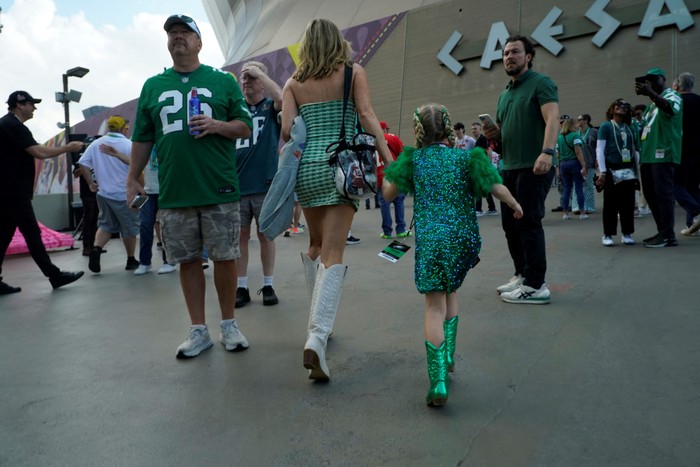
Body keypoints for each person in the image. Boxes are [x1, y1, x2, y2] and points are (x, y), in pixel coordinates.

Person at [126, 14, 253, 359]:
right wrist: (132, 177)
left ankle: (228, 324)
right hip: (174, 191)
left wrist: (216, 124)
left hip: (219, 187)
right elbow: (142, 137)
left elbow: (244, 127)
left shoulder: (222, 81)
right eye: (173, 34)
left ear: (199, 43)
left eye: (185, 33)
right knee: (187, 261)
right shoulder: (153, 85)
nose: (178, 37)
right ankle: (199, 330)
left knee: (226, 257)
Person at [382, 103, 522, 407]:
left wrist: (391, 164)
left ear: (419, 131)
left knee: (434, 307)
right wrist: (514, 205)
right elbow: (496, 186)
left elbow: (388, 193)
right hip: (463, 239)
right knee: (452, 289)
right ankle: (448, 357)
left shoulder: (413, 160)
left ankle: (439, 382)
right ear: (447, 129)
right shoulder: (467, 157)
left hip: (433, 240)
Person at [281, 18, 393, 381]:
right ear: (337, 41)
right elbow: (366, 115)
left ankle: (318, 325)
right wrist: (389, 160)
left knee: (314, 245)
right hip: (342, 168)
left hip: (307, 170)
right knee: (335, 252)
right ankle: (317, 335)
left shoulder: (293, 83)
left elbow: (288, 130)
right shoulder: (352, 72)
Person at [481, 35, 559, 305]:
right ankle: (522, 274)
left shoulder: (541, 83)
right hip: (509, 167)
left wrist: (547, 152)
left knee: (528, 222)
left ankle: (536, 285)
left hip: (534, 166)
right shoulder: (505, 94)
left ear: (529, 56)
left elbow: (552, 119)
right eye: (505, 53)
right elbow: (503, 139)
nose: (509, 57)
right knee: (510, 225)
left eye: (515, 52)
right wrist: (494, 134)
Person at [0, 90, 84, 294]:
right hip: (13, 191)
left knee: (3, 235)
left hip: (6, 190)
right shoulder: (13, 125)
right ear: (20, 104)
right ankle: (54, 275)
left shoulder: (7, 125)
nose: (34, 108)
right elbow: (39, 152)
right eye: (31, 104)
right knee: (32, 233)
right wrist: (67, 148)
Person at [234, 60, 283, 307]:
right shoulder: (236, 108)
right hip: (237, 184)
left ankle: (268, 284)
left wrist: (260, 74)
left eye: (251, 77)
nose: (246, 80)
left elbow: (283, 100)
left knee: (265, 235)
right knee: (240, 236)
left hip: (264, 184)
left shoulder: (269, 107)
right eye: (243, 76)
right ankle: (241, 287)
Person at [79, 116, 140, 273]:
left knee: (106, 225)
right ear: (122, 129)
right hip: (124, 194)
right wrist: (141, 187)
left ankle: (96, 249)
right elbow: (138, 166)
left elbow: (83, 163)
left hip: (103, 194)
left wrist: (91, 183)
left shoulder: (96, 144)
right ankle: (131, 259)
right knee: (129, 228)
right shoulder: (128, 144)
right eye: (126, 128)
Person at [634, 67, 683, 248]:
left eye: (652, 80)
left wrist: (652, 94)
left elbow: (671, 110)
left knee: (663, 194)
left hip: (663, 153)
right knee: (650, 194)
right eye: (646, 82)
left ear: (662, 79)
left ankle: (669, 236)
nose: (648, 83)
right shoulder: (650, 106)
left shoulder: (672, 95)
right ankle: (662, 231)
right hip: (648, 155)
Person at [595, 99, 637, 246]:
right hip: (612, 168)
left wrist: (637, 170)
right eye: (618, 105)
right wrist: (603, 171)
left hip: (628, 169)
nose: (621, 108)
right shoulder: (606, 126)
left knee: (628, 203)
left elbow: (634, 149)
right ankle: (607, 234)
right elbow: (600, 149)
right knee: (611, 203)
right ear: (612, 108)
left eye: (625, 106)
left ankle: (627, 232)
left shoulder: (629, 127)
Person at [133, 146, 177, 275]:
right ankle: (145, 262)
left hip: (166, 190)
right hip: (149, 191)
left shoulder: (167, 142)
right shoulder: (145, 146)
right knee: (145, 224)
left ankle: (169, 261)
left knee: (166, 225)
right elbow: (134, 162)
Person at [671, 73, 700, 235]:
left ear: (677, 86)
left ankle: (696, 212)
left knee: (676, 185)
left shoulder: (676, 101)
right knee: (693, 187)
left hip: (681, 150)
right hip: (698, 151)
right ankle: (692, 225)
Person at [377, 121, 409, 239]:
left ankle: (387, 232)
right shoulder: (393, 138)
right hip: (395, 175)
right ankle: (401, 229)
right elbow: (403, 155)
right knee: (399, 202)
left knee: (384, 204)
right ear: (385, 129)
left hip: (380, 175)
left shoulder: (372, 141)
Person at [556, 115, 588, 220]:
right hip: (574, 163)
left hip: (563, 164)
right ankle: (582, 213)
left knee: (566, 188)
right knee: (578, 187)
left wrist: (558, 167)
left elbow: (558, 154)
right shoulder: (575, 136)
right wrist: (583, 165)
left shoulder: (559, 138)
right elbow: (578, 152)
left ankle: (566, 213)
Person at [471, 121, 498, 216]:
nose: (473, 130)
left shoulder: (482, 139)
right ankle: (491, 208)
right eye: (472, 129)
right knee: (485, 187)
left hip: (482, 167)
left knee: (479, 187)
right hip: (481, 166)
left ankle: (479, 209)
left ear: (480, 130)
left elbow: (489, 151)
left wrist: (488, 165)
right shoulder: (479, 140)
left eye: (475, 129)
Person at [573, 113, 598, 214]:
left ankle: (589, 207)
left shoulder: (594, 132)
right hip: (577, 162)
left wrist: (597, 159)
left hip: (590, 161)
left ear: (586, 121)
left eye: (580, 119)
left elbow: (598, 147)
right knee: (577, 185)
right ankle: (577, 207)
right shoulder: (576, 133)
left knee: (589, 185)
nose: (578, 121)